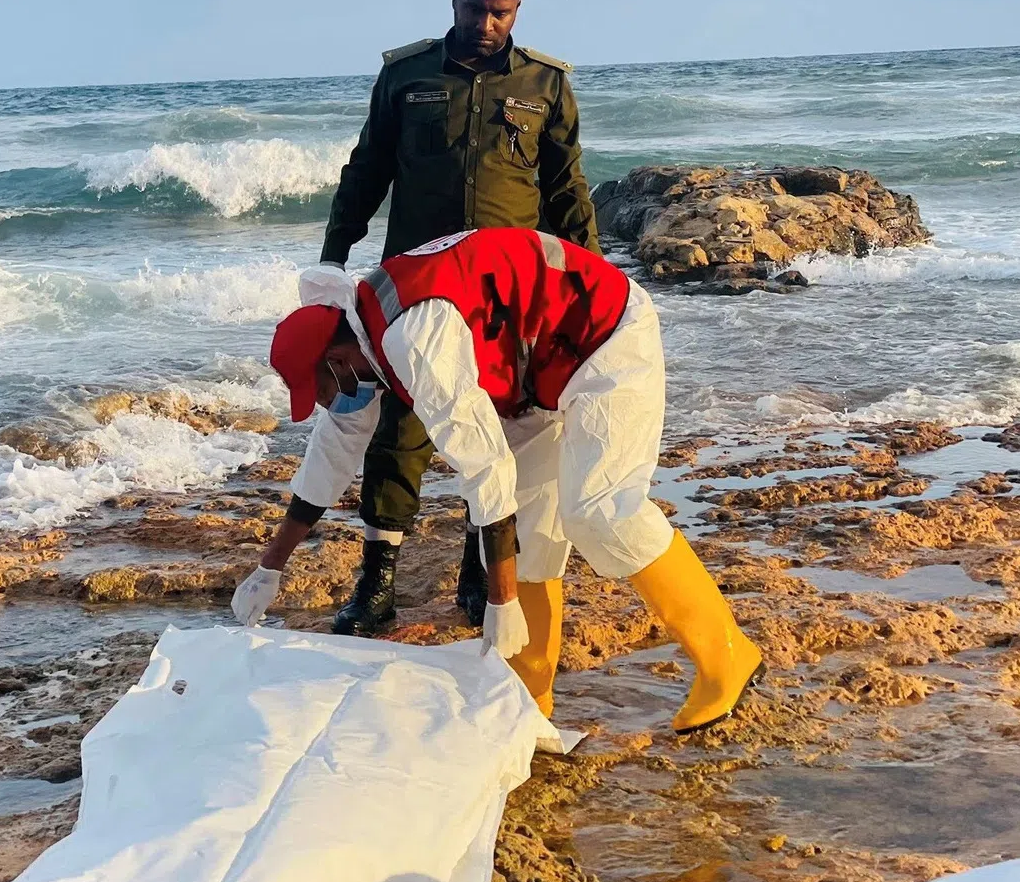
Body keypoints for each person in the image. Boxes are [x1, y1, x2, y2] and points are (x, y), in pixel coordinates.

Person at [231, 228, 763, 733]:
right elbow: (332, 454)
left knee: (601, 510)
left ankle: (726, 655)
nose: (327, 404)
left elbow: (485, 467)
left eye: (321, 391)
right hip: (531, 371)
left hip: (603, 334)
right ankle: (532, 695)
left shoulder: (414, 339)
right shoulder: (361, 335)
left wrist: (501, 601)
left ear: (340, 360)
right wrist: (269, 568)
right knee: (526, 534)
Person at [311, 0, 602, 637]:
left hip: (508, 298)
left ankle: (482, 571)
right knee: (400, 428)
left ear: (518, 10)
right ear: (453, 0)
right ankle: (376, 579)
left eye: (501, 12)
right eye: (475, 9)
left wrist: (589, 285)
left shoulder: (546, 83)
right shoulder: (406, 77)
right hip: (414, 289)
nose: (486, 23)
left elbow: (565, 188)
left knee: (501, 430)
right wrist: (330, 267)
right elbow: (365, 174)